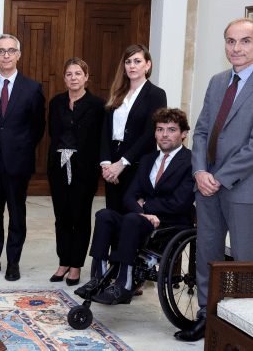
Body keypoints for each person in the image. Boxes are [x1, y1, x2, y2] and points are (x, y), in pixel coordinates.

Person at [180, 18, 253, 342]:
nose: (236, 48)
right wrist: (199, 172)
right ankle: (206, 317)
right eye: (230, 41)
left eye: (245, 41)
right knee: (208, 255)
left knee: (244, 259)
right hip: (206, 185)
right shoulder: (217, 80)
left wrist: (220, 177)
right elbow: (200, 131)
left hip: (243, 189)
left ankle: (240, 325)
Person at [76, 108, 195, 306]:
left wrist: (145, 206)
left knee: (132, 218)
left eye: (171, 129)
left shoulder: (191, 160)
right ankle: (98, 276)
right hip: (142, 220)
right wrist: (142, 213)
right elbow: (129, 197)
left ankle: (124, 283)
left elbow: (180, 202)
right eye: (160, 129)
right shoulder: (148, 159)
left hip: (172, 223)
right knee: (104, 215)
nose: (164, 134)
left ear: (183, 133)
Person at [0, 34, 45, 281]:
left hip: (18, 162)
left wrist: (18, 146)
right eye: (1, 51)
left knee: (16, 214)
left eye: (11, 50)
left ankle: (13, 261)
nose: (6, 55)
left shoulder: (33, 88)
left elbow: (38, 127)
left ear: (18, 55)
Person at [46, 58, 105, 286]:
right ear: (64, 78)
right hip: (59, 167)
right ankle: (63, 261)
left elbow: (100, 138)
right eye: (69, 74)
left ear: (86, 77)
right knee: (61, 217)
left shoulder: (98, 105)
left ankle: (76, 265)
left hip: (84, 168)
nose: (73, 78)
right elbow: (53, 132)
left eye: (78, 73)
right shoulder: (56, 102)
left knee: (80, 217)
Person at [100, 45, 167, 214]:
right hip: (112, 165)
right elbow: (106, 131)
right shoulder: (117, 93)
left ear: (148, 65)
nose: (132, 66)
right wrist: (106, 164)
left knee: (133, 217)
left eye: (137, 61)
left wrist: (122, 163)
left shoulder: (156, 94)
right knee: (112, 216)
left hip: (138, 164)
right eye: (128, 62)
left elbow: (151, 134)